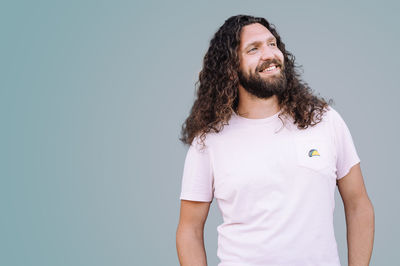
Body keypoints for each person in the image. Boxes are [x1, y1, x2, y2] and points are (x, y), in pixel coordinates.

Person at [176, 14, 374, 266]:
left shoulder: (324, 120)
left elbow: (358, 205)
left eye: (272, 44)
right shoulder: (209, 141)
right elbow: (189, 229)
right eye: (254, 49)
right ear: (231, 67)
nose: (270, 54)